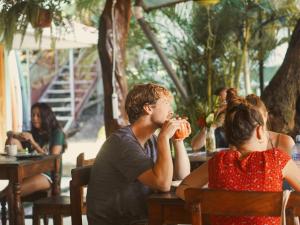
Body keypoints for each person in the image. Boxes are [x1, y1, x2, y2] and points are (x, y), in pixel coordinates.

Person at [176, 89, 300, 225]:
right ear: (259, 131)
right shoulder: (276, 159)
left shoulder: (218, 162)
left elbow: (182, 190)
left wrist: (214, 201)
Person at [86, 83, 191, 225]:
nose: (171, 110)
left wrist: (178, 141)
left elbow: (183, 176)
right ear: (148, 108)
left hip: (141, 218)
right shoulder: (121, 142)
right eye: (166, 103)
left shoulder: (151, 140)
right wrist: (164, 138)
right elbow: (163, 184)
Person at [5, 102, 66, 196]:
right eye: (33, 115)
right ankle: (14, 209)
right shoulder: (33, 133)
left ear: (46, 117)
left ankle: (7, 204)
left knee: (11, 191)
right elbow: (9, 133)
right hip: (31, 172)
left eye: (38, 115)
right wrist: (14, 135)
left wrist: (33, 142)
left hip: (48, 175)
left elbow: (53, 159)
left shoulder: (57, 133)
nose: (34, 118)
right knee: (11, 188)